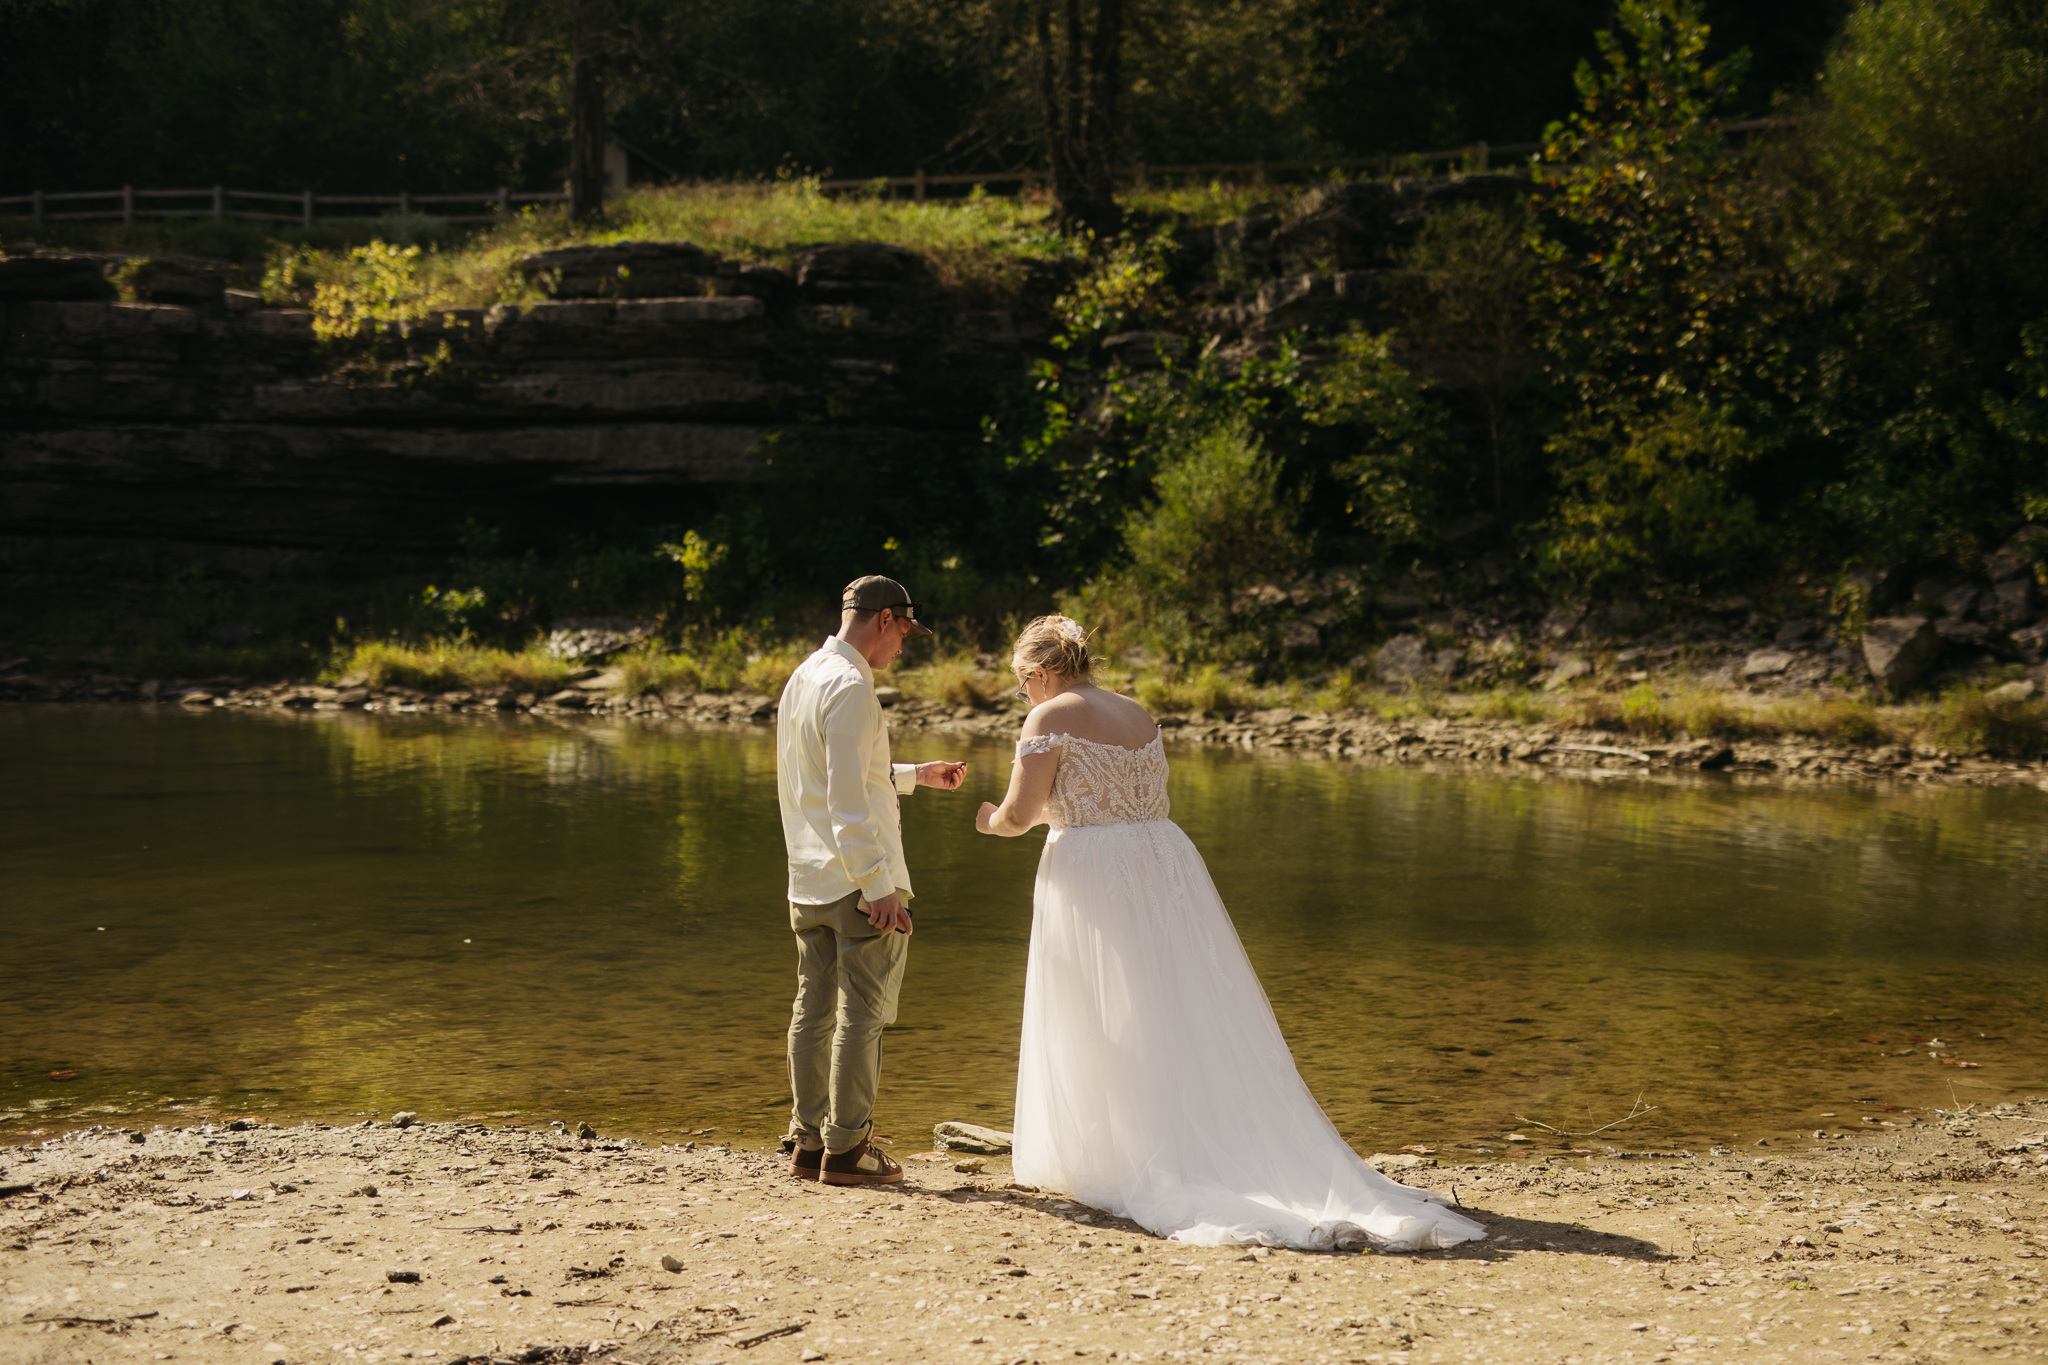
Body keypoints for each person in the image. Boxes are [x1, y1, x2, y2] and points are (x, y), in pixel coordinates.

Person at [973, 615, 1486, 1252]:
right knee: (1180, 1002)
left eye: (1025, 684)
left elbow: (1023, 815)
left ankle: (1122, 1152)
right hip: (1163, 859)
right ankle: (1184, 1133)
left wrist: (988, 820)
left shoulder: (1049, 719)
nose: (1027, 696)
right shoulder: (1137, 712)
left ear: (1041, 673)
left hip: (1094, 869)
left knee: (1105, 1006)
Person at [777, 575, 966, 1187]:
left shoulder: (804, 675)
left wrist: (914, 775)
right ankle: (849, 1149)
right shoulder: (854, 686)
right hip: (858, 880)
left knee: (812, 1010)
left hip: (807, 878)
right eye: (905, 633)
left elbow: (836, 770)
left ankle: (808, 1142)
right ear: (884, 619)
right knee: (863, 1015)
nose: (904, 648)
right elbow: (849, 800)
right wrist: (877, 885)